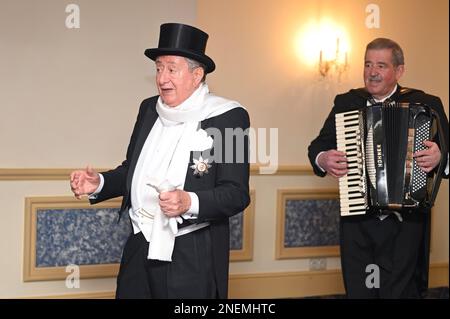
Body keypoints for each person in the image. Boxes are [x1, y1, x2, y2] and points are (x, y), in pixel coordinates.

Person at [69, 23, 250, 299]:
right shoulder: (148, 109)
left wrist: (189, 202)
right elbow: (133, 170)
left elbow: (236, 194)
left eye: (172, 69)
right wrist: (99, 183)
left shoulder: (229, 117)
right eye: (158, 68)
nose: (162, 78)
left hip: (191, 254)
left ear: (197, 74)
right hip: (139, 245)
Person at [308, 38, 449, 298]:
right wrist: (323, 157)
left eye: (381, 65)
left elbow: (446, 152)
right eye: (368, 64)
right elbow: (316, 147)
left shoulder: (426, 105)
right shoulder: (347, 103)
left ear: (399, 71)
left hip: (407, 223)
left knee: (401, 292)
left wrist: (441, 158)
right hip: (358, 219)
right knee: (360, 291)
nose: (372, 72)